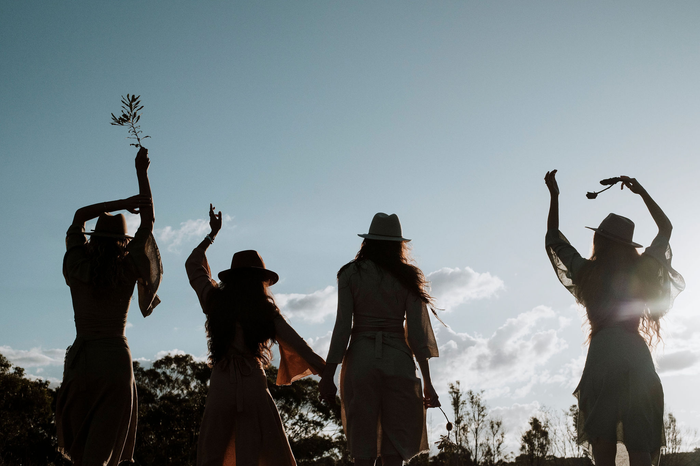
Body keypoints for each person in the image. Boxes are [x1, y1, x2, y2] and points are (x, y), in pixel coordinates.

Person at [544, 171, 684, 466]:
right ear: (628, 245)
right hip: (635, 353)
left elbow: (554, 239)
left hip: (603, 353)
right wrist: (641, 191)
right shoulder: (642, 270)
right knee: (639, 439)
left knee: (603, 441)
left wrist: (554, 197)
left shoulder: (586, 272)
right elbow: (666, 228)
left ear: (599, 240)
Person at [186, 204, 326, 466]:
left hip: (222, 380)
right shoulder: (265, 311)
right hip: (252, 382)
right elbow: (300, 346)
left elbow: (193, 264)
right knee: (254, 454)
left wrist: (211, 235)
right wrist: (327, 373)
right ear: (260, 280)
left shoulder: (215, 300)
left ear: (232, 278)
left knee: (211, 453)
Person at [56, 147, 162, 466]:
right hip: (115, 360)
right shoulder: (128, 267)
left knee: (81, 454)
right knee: (104, 454)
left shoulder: (76, 265)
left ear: (93, 238)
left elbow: (78, 216)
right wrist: (142, 175)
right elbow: (149, 222)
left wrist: (119, 204)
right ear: (122, 244)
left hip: (82, 361)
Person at [319, 212, 441, 466]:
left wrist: (328, 374)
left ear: (368, 241)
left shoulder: (350, 273)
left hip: (361, 360)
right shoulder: (408, 277)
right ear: (399, 244)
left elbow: (342, 327)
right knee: (393, 447)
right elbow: (418, 335)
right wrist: (428, 383)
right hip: (398, 359)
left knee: (363, 445)